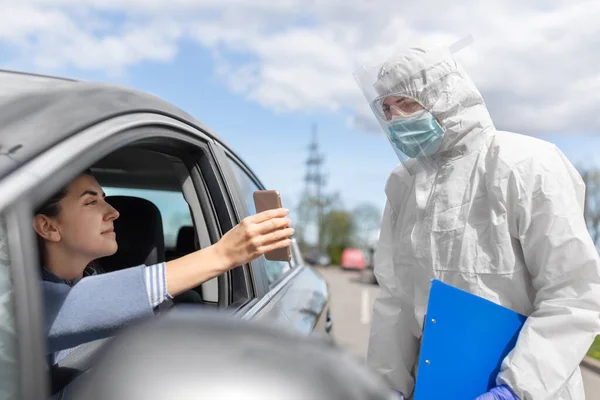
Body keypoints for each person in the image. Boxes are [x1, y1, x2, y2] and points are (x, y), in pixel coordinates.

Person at [354, 42, 600, 399]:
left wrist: (516, 390)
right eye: (387, 109)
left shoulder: (526, 163)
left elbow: (573, 293)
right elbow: (395, 301)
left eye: (406, 103)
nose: (396, 119)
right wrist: (387, 387)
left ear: (445, 95)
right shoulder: (404, 184)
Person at [34, 170, 293, 396]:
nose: (113, 212)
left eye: (105, 198)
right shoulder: (20, 300)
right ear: (48, 227)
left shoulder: (96, 281)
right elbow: (78, 305)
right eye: (91, 201)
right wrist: (223, 254)